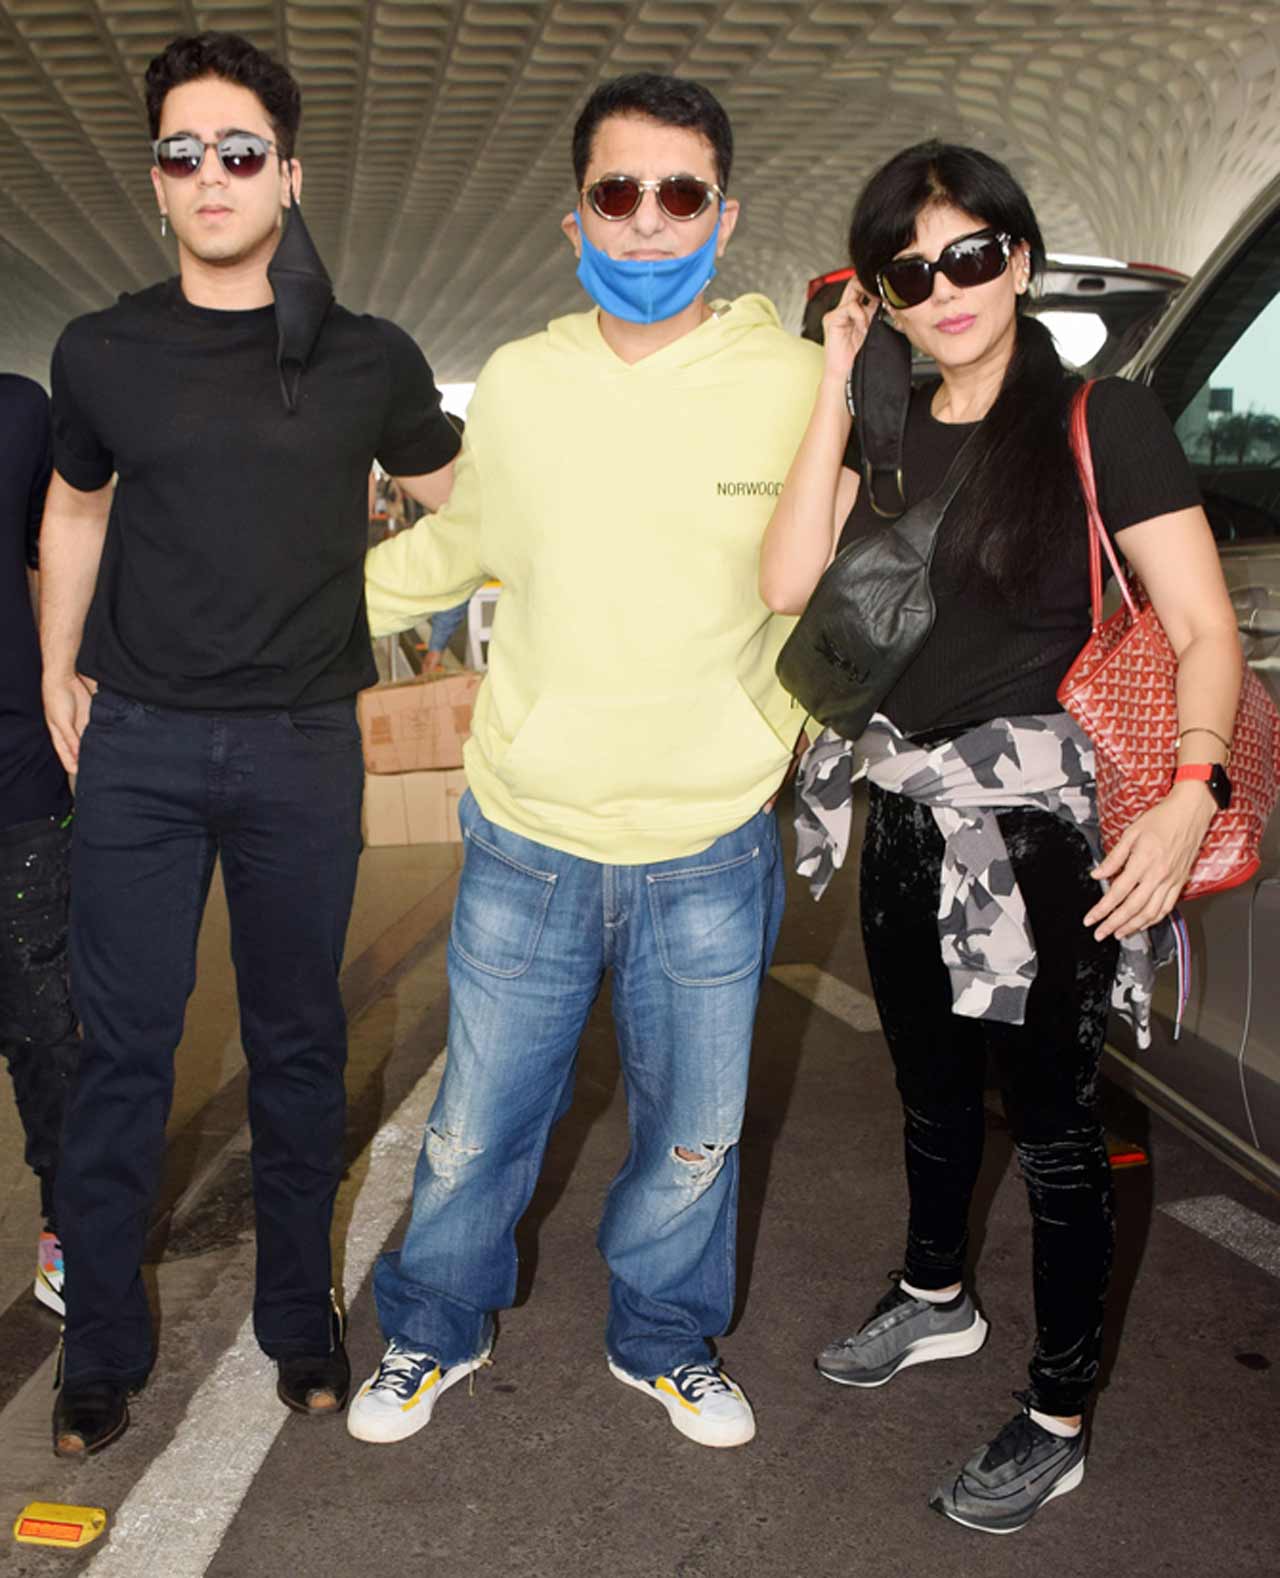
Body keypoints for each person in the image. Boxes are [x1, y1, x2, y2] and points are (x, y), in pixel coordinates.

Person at [760, 142, 1242, 1530]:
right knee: (923, 1087)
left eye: (973, 254)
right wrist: (837, 389)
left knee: (1054, 1132)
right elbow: (790, 578)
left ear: (1019, 259)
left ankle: (1058, 1408)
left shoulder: (1107, 419)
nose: (948, 286)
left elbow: (1204, 628)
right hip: (906, 810)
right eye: (912, 270)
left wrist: (1189, 788)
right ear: (886, 296)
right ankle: (935, 1295)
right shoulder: (889, 427)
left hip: (1037, 836)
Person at [350, 72, 823, 1452]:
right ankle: (433, 1329)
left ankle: (665, 1338)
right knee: (471, 1132)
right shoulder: (522, 382)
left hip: (711, 839)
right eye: (620, 191)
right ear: (577, 219)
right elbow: (454, 551)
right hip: (529, 831)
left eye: (682, 193)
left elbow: (856, 565)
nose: (650, 220)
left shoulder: (798, 384)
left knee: (693, 1137)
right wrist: (274, 616)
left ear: (723, 216)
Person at [40, 31, 459, 1458]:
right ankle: (100, 1344)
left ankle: (299, 1322)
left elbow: (468, 498)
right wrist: (56, 668)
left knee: (296, 1046)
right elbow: (79, 511)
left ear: (288, 172)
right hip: (143, 746)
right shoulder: (101, 349)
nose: (209, 176)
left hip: (299, 749)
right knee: (122, 1056)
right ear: (155, 181)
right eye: (181, 153)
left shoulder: (368, 357)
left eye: (237, 152)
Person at [0, 373, 79, 1321]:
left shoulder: (20, 411)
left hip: (16, 775)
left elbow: (63, 548)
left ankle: (70, 1224)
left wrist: (72, 669)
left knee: (45, 1029)